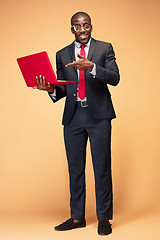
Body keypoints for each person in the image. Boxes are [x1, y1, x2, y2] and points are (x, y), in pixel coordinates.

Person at [34, 11, 120, 235]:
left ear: (91, 26)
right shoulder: (62, 54)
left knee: (101, 167)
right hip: (73, 117)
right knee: (75, 169)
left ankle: (104, 218)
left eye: (86, 25)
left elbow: (115, 77)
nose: (82, 30)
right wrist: (50, 89)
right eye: (77, 26)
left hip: (99, 116)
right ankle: (77, 218)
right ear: (71, 28)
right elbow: (62, 87)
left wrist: (91, 67)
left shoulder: (104, 48)